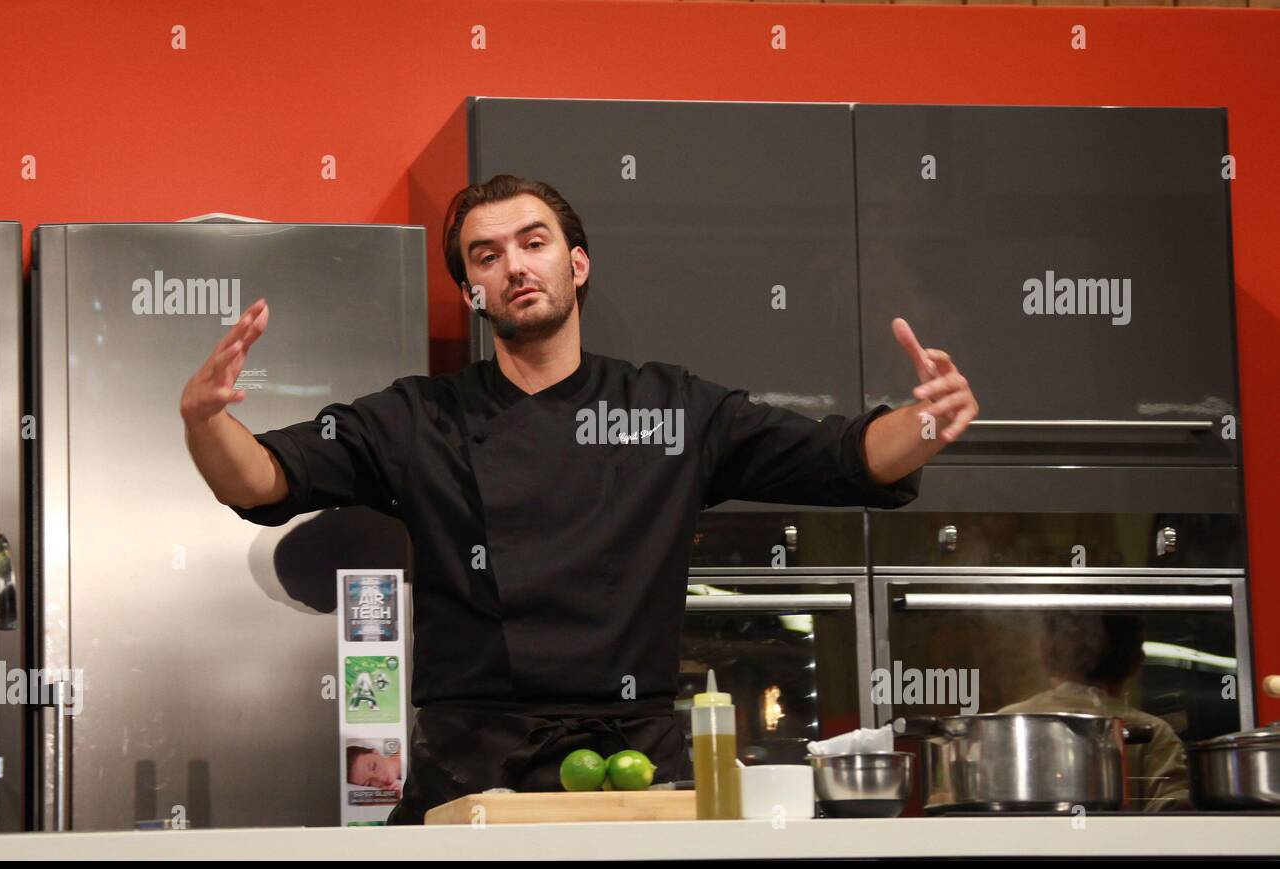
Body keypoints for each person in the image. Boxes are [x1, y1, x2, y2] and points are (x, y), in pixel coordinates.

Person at [180, 174, 980, 823]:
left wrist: (928, 422)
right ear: (472, 292)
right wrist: (205, 420)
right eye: (486, 256)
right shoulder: (419, 418)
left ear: (577, 264)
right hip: (471, 768)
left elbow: (841, 457)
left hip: (640, 773)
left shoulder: (671, 409)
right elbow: (262, 480)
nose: (515, 266)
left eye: (534, 243)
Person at [998, 612, 1191, 812]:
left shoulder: (1005, 725)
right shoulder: (1154, 734)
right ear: (1136, 659)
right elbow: (1175, 820)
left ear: (1043, 652)